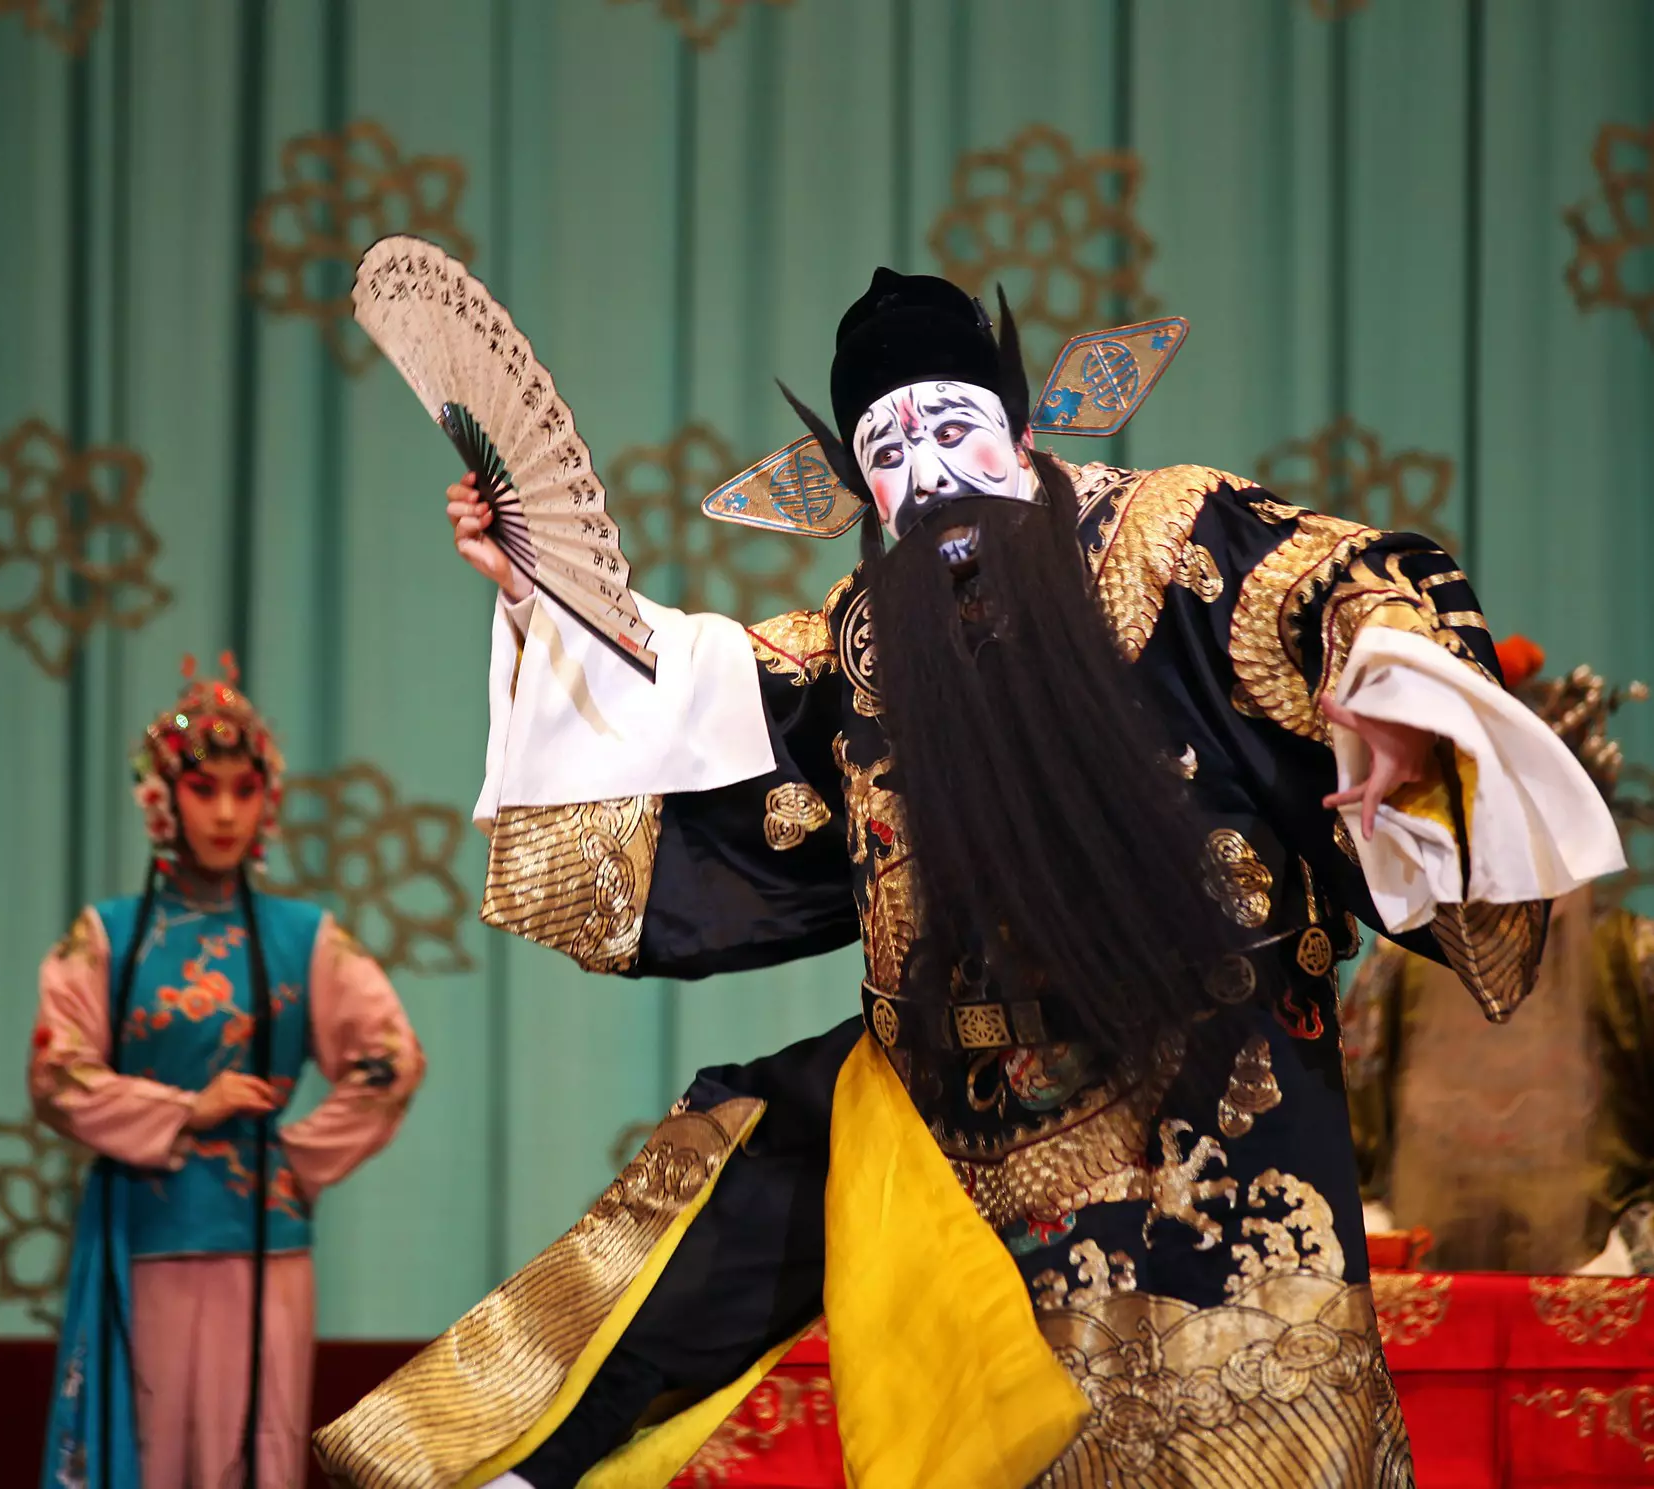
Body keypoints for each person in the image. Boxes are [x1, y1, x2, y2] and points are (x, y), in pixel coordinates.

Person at [315, 270, 1622, 1489]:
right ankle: (513, 1452)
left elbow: (1335, 583)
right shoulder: (873, 638)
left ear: (1021, 427)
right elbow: (693, 695)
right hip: (962, 1125)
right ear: (858, 493)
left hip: (1204, 1117)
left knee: (1232, 1434)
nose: (928, 472)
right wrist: (543, 593)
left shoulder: (1169, 534)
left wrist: (1394, 703)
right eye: (884, 453)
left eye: (950, 427)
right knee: (729, 1159)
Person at [33, 654, 424, 1489]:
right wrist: (186, 1109)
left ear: (266, 800)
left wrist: (297, 1163)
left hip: (264, 1242)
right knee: (149, 1447)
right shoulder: (105, 935)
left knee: (258, 1452)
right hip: (146, 1233)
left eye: (243, 790)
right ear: (160, 798)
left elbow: (392, 1058)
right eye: (202, 788)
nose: (222, 812)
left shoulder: (304, 936)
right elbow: (56, 1074)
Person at [1346, 637, 1653, 1275]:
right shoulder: (1403, 959)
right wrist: (1371, 1225)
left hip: (1604, 1309)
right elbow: (1350, 1136)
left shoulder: (1634, 958)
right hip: (1434, 1308)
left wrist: (1629, 1253)